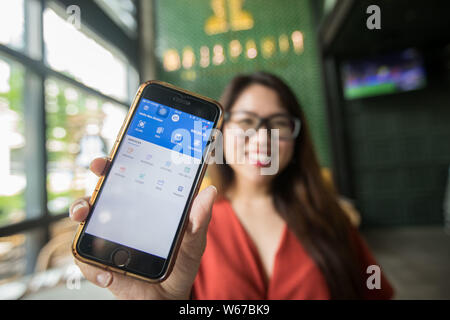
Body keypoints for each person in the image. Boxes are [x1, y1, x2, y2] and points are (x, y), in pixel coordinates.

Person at [69, 72, 394, 299]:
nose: (262, 138)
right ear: (221, 133)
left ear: (296, 140)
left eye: (278, 124)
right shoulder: (187, 226)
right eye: (247, 122)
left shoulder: (329, 217)